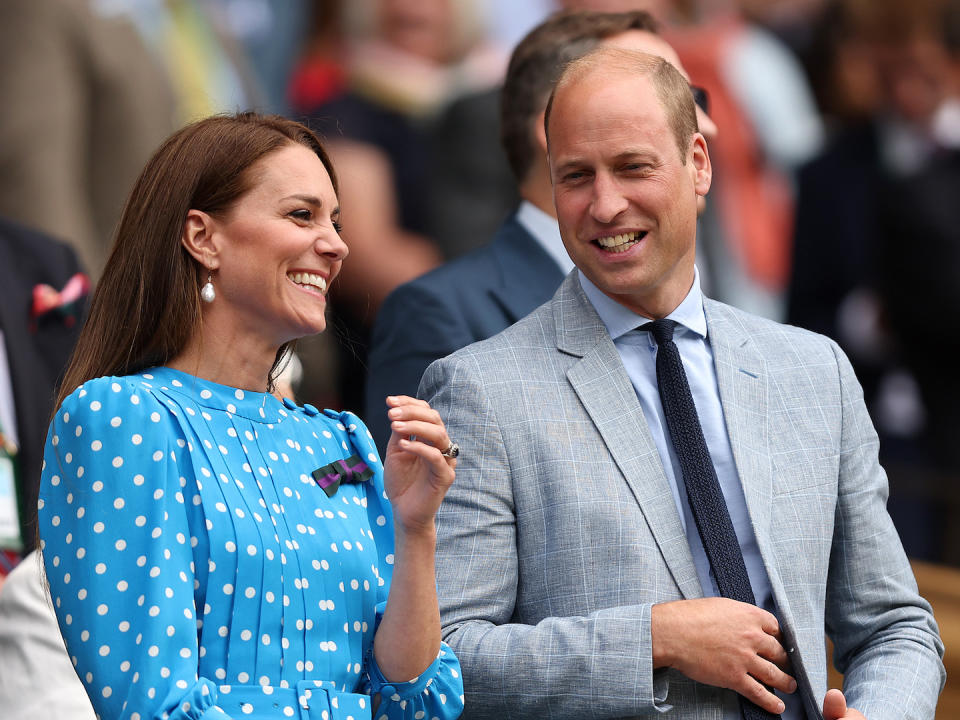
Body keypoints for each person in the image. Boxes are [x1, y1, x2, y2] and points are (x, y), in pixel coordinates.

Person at [421, 47, 944, 719]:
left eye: (633, 167)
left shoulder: (813, 372)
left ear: (698, 163)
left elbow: (895, 626)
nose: (605, 204)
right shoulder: (481, 391)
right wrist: (654, 639)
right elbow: (445, 661)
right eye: (576, 176)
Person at [36, 113, 464, 720]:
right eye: (302, 215)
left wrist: (415, 528)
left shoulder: (341, 442)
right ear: (202, 237)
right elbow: (153, 706)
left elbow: (415, 701)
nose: (337, 244)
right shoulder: (122, 415)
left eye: (336, 222)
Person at [366, 8, 718, 453]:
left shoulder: (714, 320)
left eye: (694, 99)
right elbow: (419, 508)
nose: (706, 124)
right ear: (555, 130)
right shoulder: (440, 317)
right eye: (672, 97)